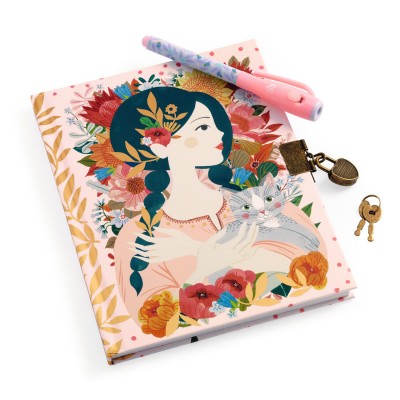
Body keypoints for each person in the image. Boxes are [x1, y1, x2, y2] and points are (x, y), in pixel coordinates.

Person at [110, 87, 325, 323]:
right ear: (160, 146)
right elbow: (152, 321)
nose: (221, 133)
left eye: (214, 124)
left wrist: (198, 250)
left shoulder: (254, 199)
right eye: (203, 127)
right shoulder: (140, 234)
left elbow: (316, 260)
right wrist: (203, 267)